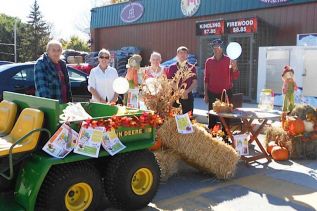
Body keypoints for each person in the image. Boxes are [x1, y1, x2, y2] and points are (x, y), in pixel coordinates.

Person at [204, 39, 240, 129]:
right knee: (212, 117)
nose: (217, 49)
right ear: (212, 48)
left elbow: (235, 76)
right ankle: (212, 136)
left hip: (226, 93)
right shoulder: (208, 61)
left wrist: (235, 67)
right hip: (212, 93)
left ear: (222, 48)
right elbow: (206, 79)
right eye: (214, 47)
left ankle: (225, 137)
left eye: (219, 47)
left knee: (226, 118)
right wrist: (206, 94)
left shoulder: (229, 60)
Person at [166, 46, 197, 114]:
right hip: (175, 96)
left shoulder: (192, 67)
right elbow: (170, 81)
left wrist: (186, 91)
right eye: (181, 53)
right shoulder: (172, 67)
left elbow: (194, 82)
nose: (183, 55)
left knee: (188, 116)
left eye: (185, 53)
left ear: (187, 55)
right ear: (177, 55)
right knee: (174, 117)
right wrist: (179, 92)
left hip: (187, 95)